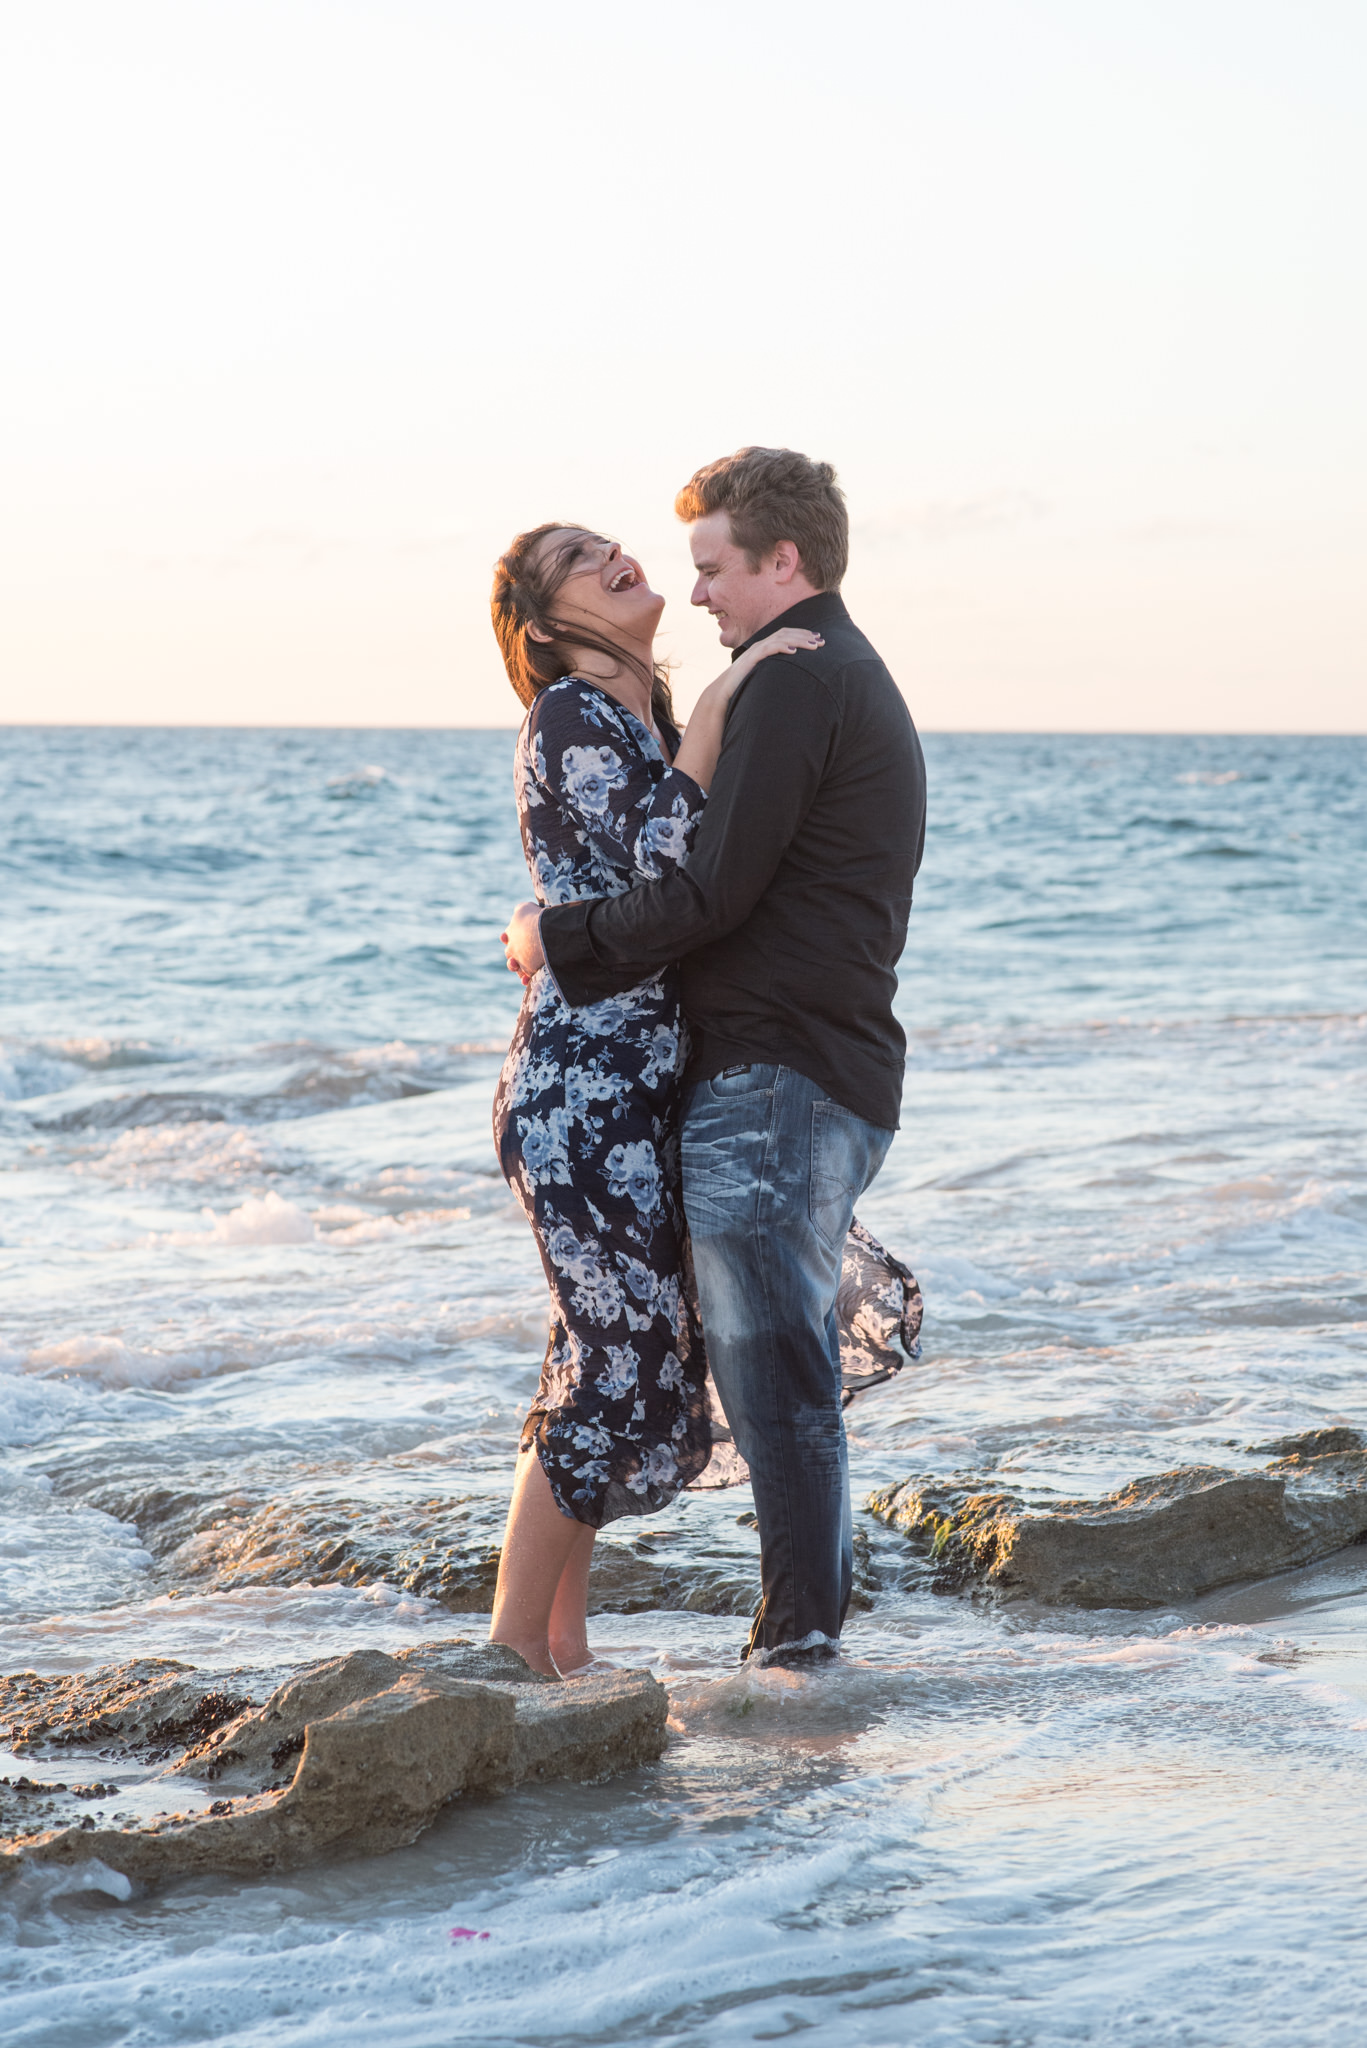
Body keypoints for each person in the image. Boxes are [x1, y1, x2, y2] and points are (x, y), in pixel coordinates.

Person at [502, 449, 927, 1670]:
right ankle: (550, 1652)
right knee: (637, 1360)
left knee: (756, 1374)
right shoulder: (789, 679)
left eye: (710, 567)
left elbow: (706, 892)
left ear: (777, 561)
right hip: (698, 1079)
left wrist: (552, 937)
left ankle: (792, 1652)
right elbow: (688, 870)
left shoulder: (785, 683)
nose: (694, 594)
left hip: (772, 1074)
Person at [486, 519, 824, 1677]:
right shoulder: (570, 715)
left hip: (631, 1097)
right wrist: (730, 696)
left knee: (603, 1361)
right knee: (618, 1367)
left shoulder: (639, 723)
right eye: (583, 558)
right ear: (545, 625)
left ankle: (558, 1658)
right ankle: (502, 1656)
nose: (617, 553)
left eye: (608, 540)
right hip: (580, 1096)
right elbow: (668, 861)